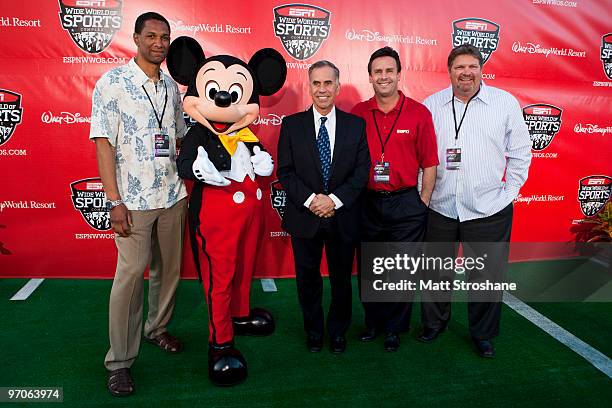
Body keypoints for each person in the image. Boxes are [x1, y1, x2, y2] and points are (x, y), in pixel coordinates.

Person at [89, 12, 187, 396]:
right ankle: (119, 361)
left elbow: (179, 136)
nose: (159, 43)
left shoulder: (171, 86)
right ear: (136, 38)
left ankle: (157, 329)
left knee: (170, 272)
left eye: (164, 37)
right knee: (130, 279)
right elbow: (103, 144)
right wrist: (113, 200)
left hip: (173, 195)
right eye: (151, 36)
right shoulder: (112, 83)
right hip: (133, 199)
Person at [420, 44, 531, 357]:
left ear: (481, 70)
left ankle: (483, 334)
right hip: (440, 206)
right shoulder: (432, 104)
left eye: (472, 66)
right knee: (435, 271)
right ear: (450, 71)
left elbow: (521, 153)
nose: (465, 72)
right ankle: (434, 324)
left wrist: (508, 194)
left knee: (486, 276)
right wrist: (423, 196)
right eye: (459, 67)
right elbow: (422, 156)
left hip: (488, 208)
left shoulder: (504, 103)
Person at [277, 60, 370, 354]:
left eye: (328, 83)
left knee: (342, 280)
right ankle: (314, 331)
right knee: (307, 279)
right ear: (309, 87)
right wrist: (312, 201)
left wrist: (334, 201)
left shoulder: (356, 125)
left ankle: (338, 332)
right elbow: (286, 172)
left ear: (338, 86)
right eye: (316, 83)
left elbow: (361, 171)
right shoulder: (292, 125)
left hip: (342, 217)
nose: (322, 89)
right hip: (305, 216)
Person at [351, 47, 439, 352]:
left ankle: (394, 328)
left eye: (389, 71)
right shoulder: (358, 113)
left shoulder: (418, 113)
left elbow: (430, 162)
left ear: (399, 75)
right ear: (370, 76)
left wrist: (423, 200)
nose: (384, 76)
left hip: (406, 203)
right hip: (368, 201)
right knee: (370, 266)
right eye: (378, 71)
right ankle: (373, 323)